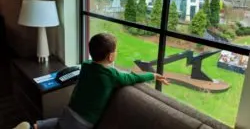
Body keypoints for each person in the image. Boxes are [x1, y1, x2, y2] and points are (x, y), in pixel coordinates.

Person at [14, 33, 169, 129]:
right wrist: (153, 75)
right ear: (111, 57)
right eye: (115, 51)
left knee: (60, 124)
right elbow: (133, 77)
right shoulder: (112, 76)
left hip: (69, 110)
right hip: (82, 123)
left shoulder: (86, 65)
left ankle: (33, 127)